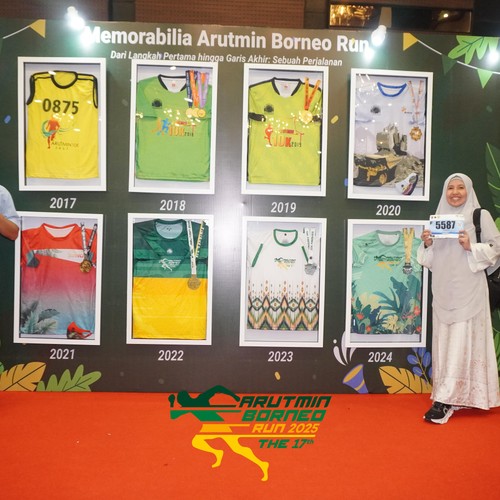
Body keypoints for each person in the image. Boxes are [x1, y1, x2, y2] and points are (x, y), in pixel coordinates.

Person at [418, 173, 500, 424]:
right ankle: (452, 395)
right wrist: (427, 243)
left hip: (470, 292)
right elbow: (429, 261)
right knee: (445, 344)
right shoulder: (439, 219)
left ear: (469, 190)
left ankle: (444, 400)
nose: (455, 192)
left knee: (461, 343)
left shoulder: (480, 216)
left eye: (460, 187)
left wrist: (470, 246)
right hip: (443, 292)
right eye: (450, 187)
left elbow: (496, 249)